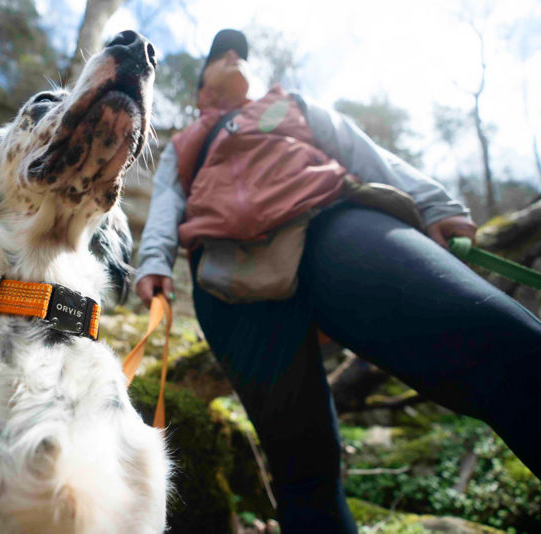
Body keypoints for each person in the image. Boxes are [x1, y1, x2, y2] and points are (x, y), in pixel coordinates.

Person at [135, 29, 541, 533]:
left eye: (240, 52)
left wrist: (433, 202)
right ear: (200, 91)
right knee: (302, 471)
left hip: (330, 221)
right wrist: (153, 261)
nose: (235, 56)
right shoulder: (184, 144)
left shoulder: (289, 102)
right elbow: (167, 204)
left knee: (502, 344)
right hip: (227, 278)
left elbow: (357, 146)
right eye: (221, 55)